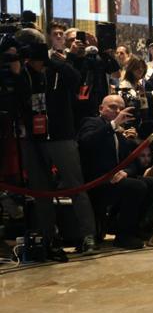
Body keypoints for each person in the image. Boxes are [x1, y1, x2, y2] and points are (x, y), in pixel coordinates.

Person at [18, 41, 97, 256]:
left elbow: (77, 80)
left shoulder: (58, 72)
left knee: (75, 187)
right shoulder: (23, 75)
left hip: (61, 136)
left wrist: (56, 62)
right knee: (41, 190)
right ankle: (48, 237)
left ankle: (88, 235)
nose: (30, 62)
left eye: (33, 59)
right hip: (34, 139)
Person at [78, 95, 153, 249]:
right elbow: (86, 143)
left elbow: (131, 162)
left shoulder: (119, 132)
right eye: (113, 107)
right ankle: (124, 235)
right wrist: (113, 124)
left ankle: (133, 227)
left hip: (118, 179)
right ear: (101, 109)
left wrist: (125, 172)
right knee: (136, 187)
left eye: (121, 108)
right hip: (98, 180)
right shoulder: (92, 123)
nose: (117, 111)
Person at [119, 55, 153, 139]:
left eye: (142, 67)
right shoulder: (124, 86)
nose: (140, 70)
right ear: (131, 69)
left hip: (140, 125)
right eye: (137, 67)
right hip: (128, 125)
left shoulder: (139, 86)